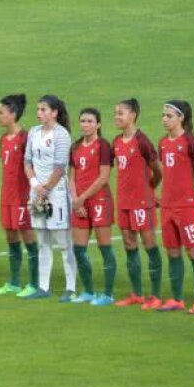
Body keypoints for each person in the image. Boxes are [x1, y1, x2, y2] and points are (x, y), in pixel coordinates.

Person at [20, 95, 76, 300]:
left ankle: (70, 288)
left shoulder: (62, 135)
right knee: (42, 240)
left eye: (43, 109)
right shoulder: (34, 132)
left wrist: (46, 188)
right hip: (37, 193)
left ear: (54, 112)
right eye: (38, 109)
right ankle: (43, 287)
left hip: (57, 195)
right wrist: (36, 185)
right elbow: (27, 161)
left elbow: (61, 167)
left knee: (63, 241)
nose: (39, 113)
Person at [157, 100, 194, 313]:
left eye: (169, 116)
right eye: (163, 115)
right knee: (172, 251)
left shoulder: (190, 143)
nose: (164, 119)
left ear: (182, 118)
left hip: (186, 207)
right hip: (168, 207)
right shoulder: (162, 143)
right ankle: (176, 298)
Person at [111, 98, 164, 308]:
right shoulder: (116, 142)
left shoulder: (142, 141)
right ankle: (136, 294)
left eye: (120, 113)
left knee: (150, 246)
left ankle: (157, 295)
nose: (116, 117)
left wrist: (149, 190)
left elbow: (158, 170)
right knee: (129, 245)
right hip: (124, 202)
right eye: (115, 113)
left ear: (132, 115)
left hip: (142, 203)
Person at [68, 108, 117, 306]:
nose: (85, 125)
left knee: (105, 248)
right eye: (82, 121)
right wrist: (75, 199)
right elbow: (71, 177)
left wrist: (82, 198)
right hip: (80, 202)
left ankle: (107, 294)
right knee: (79, 249)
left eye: (90, 121)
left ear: (98, 124)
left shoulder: (104, 146)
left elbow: (103, 177)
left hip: (99, 201)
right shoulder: (76, 146)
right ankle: (88, 291)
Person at [0, 94, 35, 295]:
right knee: (10, 237)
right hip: (6, 196)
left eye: (1, 112)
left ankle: (34, 283)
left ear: (13, 114)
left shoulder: (26, 138)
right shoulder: (3, 139)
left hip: (22, 197)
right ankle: (15, 282)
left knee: (28, 236)